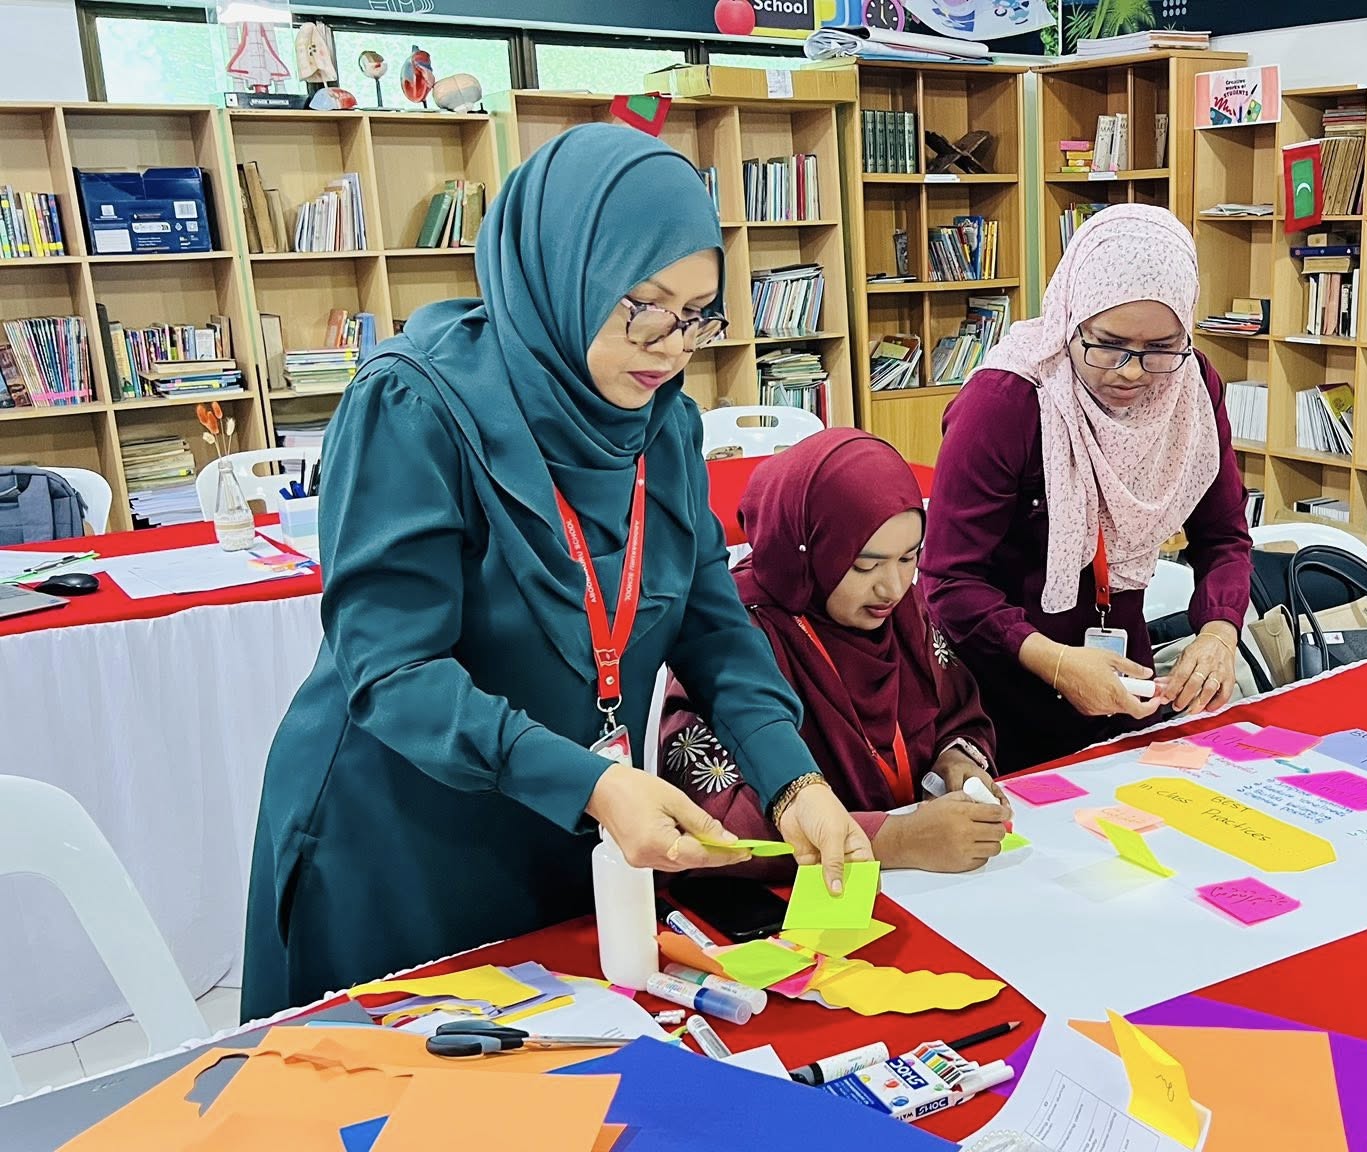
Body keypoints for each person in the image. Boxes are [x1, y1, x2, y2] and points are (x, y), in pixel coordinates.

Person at [241, 125, 871, 1020]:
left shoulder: (663, 424)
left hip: (566, 821)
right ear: (564, 271)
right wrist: (594, 784)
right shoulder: (413, 405)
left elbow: (711, 623)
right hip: (401, 835)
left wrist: (792, 779)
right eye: (645, 306)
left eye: (698, 314)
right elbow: (392, 670)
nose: (671, 346)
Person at [920, 205, 1253, 772]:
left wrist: (1219, 633)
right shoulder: (1005, 403)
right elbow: (949, 582)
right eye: (1108, 344)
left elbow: (1224, 538)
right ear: (1071, 317)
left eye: (1161, 348)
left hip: (1122, 677)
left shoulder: (1191, 388)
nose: (1132, 372)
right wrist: (1055, 663)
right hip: (997, 689)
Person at [658, 429, 1012, 873]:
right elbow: (712, 822)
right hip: (795, 897)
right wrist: (892, 840)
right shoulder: (733, 634)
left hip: (921, 881)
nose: (892, 586)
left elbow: (956, 710)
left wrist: (955, 760)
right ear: (807, 551)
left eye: (908, 558)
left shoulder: (903, 614)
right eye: (865, 565)